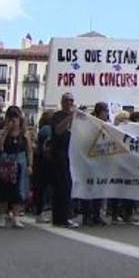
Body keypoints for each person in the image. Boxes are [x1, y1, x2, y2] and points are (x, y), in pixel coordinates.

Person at [0, 106, 33, 228]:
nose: (14, 121)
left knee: (18, 191)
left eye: (16, 118)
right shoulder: (2, 131)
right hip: (6, 161)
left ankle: (16, 217)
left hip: (20, 161)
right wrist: (6, 131)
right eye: (11, 118)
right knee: (3, 190)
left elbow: (29, 150)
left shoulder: (24, 133)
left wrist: (30, 164)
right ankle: (1, 216)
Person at [50, 93, 78, 228]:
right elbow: (58, 131)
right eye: (67, 100)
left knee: (68, 186)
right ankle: (60, 218)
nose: (69, 103)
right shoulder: (57, 116)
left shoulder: (76, 117)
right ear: (62, 102)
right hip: (59, 154)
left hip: (71, 154)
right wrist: (70, 117)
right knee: (62, 186)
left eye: (71, 100)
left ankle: (65, 216)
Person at [82, 103, 109, 226]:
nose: (107, 114)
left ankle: (96, 215)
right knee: (89, 189)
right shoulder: (90, 124)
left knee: (99, 189)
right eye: (105, 111)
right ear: (100, 112)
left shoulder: (106, 125)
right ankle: (87, 215)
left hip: (101, 161)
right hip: (90, 161)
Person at [32, 110, 55, 223]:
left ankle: (39, 211)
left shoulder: (42, 129)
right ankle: (43, 212)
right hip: (47, 162)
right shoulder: (48, 129)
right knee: (46, 188)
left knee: (40, 187)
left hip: (40, 162)